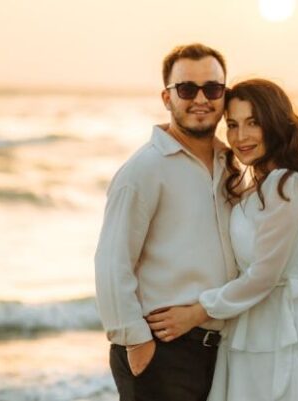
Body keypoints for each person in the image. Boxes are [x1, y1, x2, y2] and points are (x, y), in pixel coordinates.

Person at [147, 79, 298, 400]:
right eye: (232, 125)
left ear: (274, 123)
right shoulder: (258, 185)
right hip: (253, 325)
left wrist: (196, 313)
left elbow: (263, 275)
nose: (240, 136)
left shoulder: (287, 185)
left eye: (253, 123)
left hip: (284, 331)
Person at [94, 43, 238, 401]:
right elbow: (112, 262)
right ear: (167, 97)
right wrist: (135, 339)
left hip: (219, 352)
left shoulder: (231, 167)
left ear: (224, 95)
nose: (201, 99)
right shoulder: (144, 170)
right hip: (162, 352)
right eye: (187, 89)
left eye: (213, 88)